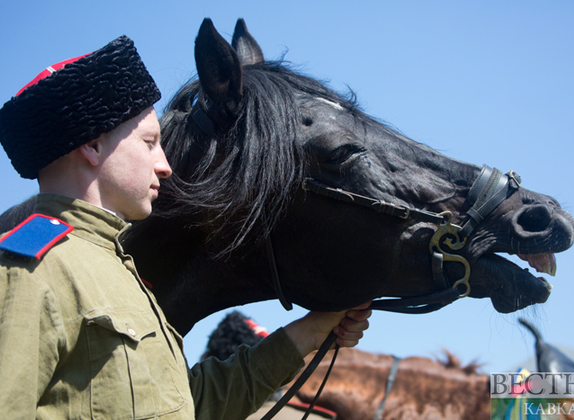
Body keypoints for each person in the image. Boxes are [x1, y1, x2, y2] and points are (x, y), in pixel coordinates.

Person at [0, 35, 371, 419]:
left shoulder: (114, 266)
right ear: (92, 146)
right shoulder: (27, 269)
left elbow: (186, 408)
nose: (164, 164)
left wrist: (310, 332)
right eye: (149, 142)